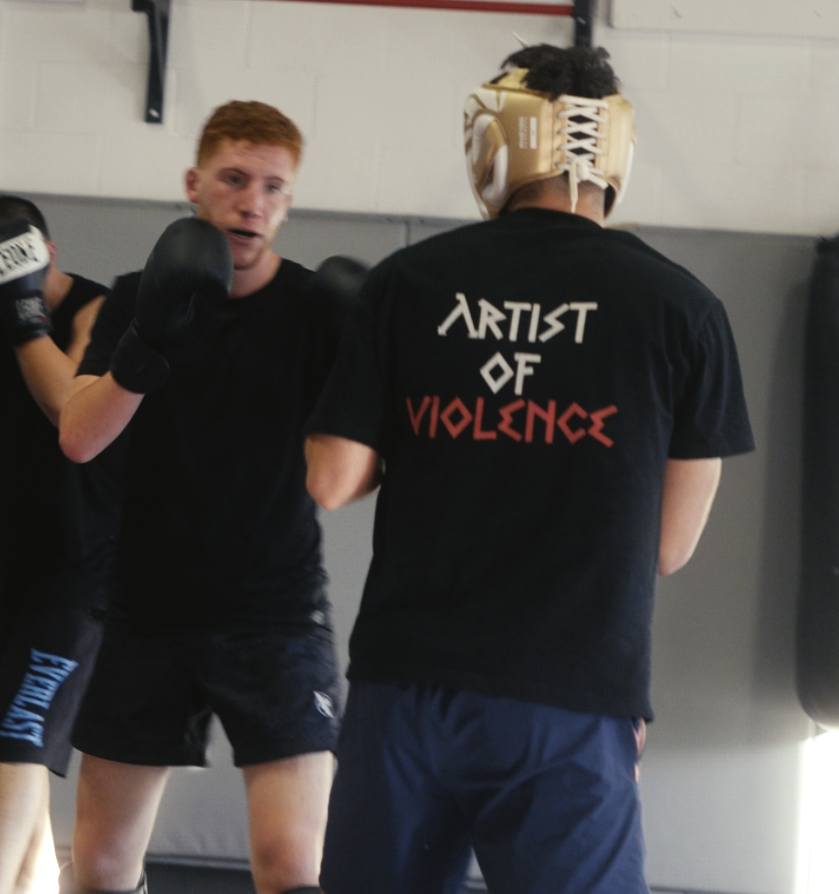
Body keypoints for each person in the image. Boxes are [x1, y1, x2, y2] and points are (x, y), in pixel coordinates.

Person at [304, 44, 755, 894]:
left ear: (496, 138)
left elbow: (332, 480)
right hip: (572, 693)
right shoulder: (684, 308)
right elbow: (668, 545)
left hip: (408, 689)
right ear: (614, 152)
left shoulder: (408, 284)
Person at [57, 101, 361, 894]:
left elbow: (345, 486)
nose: (251, 201)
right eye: (233, 178)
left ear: (289, 202)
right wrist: (149, 342)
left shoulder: (310, 310)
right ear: (194, 183)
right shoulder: (133, 297)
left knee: (293, 865)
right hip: (142, 611)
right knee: (97, 868)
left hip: (277, 615)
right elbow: (79, 437)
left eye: (272, 187)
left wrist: (359, 379)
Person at [0, 196, 120, 894]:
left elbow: (64, 408)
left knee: (15, 752)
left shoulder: (96, 312)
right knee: (23, 793)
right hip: (11, 576)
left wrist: (22, 313)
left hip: (73, 585)